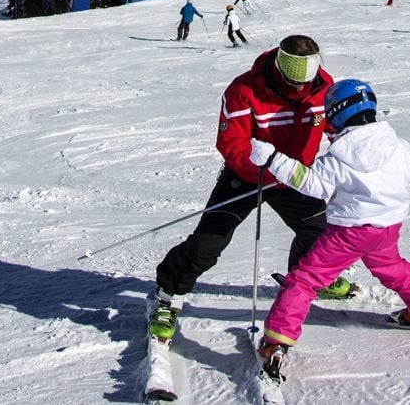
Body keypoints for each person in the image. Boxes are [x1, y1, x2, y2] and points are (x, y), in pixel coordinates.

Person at [251, 80, 410, 375]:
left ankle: (276, 341)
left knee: (306, 280)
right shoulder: (396, 146)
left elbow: (311, 184)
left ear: (336, 114)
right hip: (386, 229)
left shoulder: (338, 157)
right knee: (395, 268)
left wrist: (272, 159)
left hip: (347, 234)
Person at [148, 36, 357, 342]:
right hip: (248, 176)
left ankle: (310, 278)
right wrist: (264, 169)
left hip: (295, 176)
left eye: (306, 82)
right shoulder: (245, 90)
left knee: (322, 232)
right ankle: (168, 294)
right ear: (278, 69)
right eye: (292, 82)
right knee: (208, 245)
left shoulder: (323, 86)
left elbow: (333, 126)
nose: (300, 89)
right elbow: (231, 143)